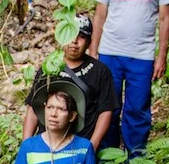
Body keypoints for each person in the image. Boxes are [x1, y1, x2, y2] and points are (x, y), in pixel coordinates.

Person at [89, 0, 169, 159]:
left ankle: (135, 160)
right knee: (108, 108)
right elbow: (100, 15)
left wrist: (162, 56)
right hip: (110, 53)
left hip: (142, 55)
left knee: (137, 110)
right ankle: (108, 159)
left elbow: (165, 19)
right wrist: (94, 51)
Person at [22, 14, 118, 153]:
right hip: (46, 146)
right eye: (70, 35)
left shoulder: (100, 72)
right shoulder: (49, 67)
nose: (74, 41)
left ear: (89, 41)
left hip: (80, 146)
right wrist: (26, 144)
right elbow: (33, 107)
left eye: (81, 36)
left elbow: (105, 111)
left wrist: (92, 146)